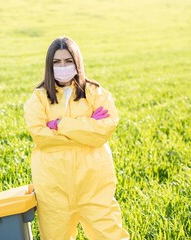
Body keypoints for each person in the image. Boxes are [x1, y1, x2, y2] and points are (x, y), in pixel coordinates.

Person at [23, 36, 130, 240]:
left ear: (77, 62)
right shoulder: (38, 97)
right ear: (49, 65)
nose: (63, 66)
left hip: (94, 184)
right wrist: (86, 126)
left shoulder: (96, 93)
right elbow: (41, 137)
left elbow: (103, 131)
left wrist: (61, 125)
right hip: (54, 188)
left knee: (111, 236)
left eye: (68, 60)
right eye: (57, 62)